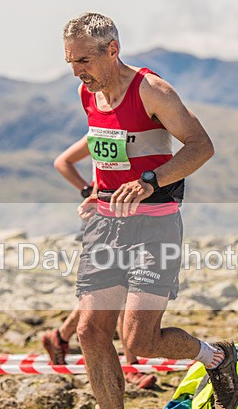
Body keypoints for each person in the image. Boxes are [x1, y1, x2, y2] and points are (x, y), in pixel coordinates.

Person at [62, 12, 238, 409]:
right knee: (89, 330)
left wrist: (150, 181)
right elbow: (108, 147)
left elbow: (201, 146)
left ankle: (216, 357)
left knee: (139, 340)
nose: (77, 71)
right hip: (106, 226)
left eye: (83, 60)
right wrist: (99, 191)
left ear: (112, 50)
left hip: (155, 226)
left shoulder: (152, 90)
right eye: (70, 62)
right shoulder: (88, 92)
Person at [42, 136, 157, 389]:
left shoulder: (127, 131)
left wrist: (88, 190)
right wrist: (89, 191)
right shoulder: (106, 131)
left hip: (127, 216)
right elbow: (62, 162)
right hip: (107, 217)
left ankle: (60, 336)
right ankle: (132, 366)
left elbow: (63, 162)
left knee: (109, 291)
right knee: (120, 289)